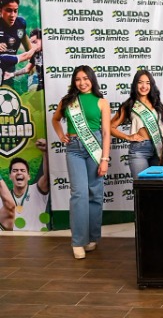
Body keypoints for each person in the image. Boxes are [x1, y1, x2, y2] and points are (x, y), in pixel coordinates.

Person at [51, 65, 111, 259]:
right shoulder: (67, 101)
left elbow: (106, 133)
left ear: (92, 80)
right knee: (79, 194)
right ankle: (78, 241)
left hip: (95, 149)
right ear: (74, 82)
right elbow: (55, 120)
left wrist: (104, 159)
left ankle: (92, 237)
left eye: (85, 78)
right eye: (78, 79)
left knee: (95, 193)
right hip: (74, 149)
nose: (82, 82)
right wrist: (61, 135)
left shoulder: (102, 102)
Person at [110, 70, 163, 179]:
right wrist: (127, 137)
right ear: (135, 84)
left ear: (151, 85)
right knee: (141, 185)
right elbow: (110, 127)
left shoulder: (158, 104)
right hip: (139, 150)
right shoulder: (129, 105)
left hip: (159, 148)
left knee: (158, 186)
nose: (144, 86)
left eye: (147, 83)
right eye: (140, 82)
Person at [0, 139, 50, 231]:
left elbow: (47, 176)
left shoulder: (37, 190)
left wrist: (45, 152)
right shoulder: (3, 200)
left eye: (23, 170)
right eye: (15, 171)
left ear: (29, 176)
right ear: (10, 176)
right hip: (13, 240)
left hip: (39, 239)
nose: (19, 172)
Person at [0, 0, 40, 87]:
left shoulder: (20, 24)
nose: (12, 15)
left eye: (15, 11)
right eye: (8, 10)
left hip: (9, 70)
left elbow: (29, 48)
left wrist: (32, 64)